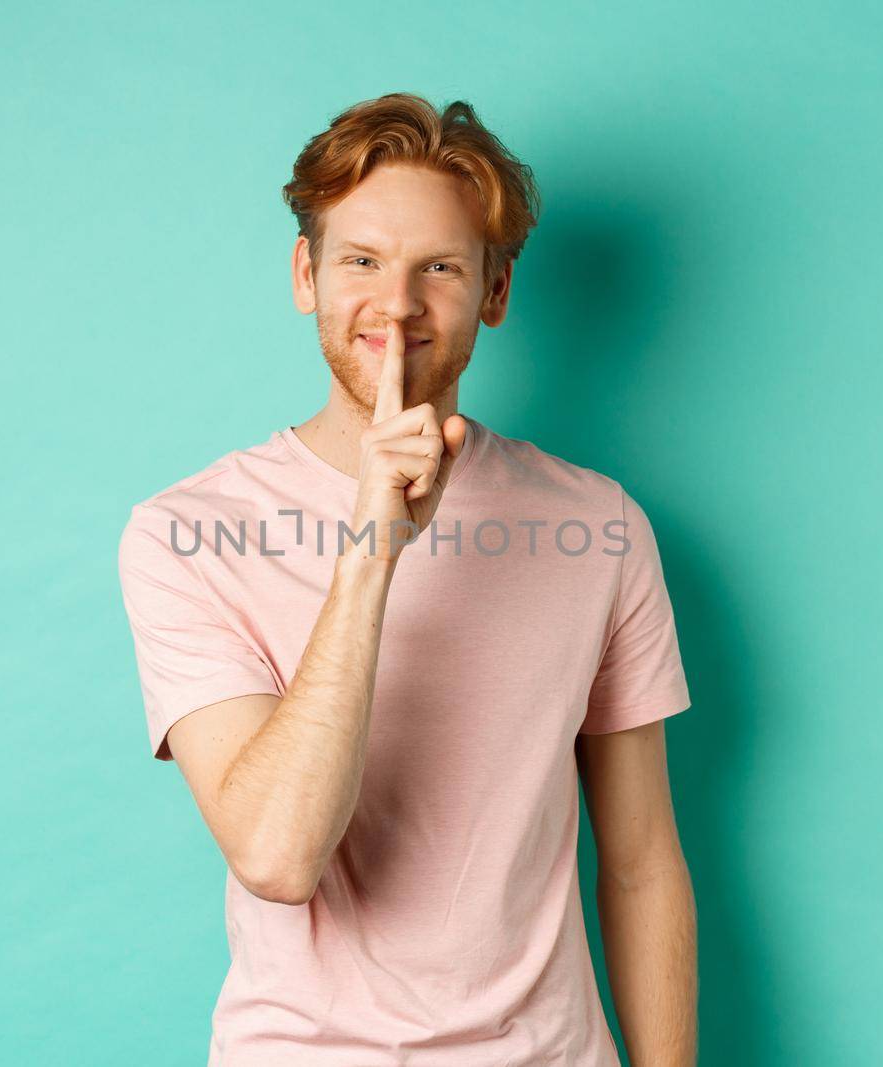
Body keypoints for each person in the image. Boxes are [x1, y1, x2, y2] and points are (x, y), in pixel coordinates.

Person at [117, 91, 697, 1066]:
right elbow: (276, 853)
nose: (396, 303)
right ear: (305, 274)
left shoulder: (599, 527)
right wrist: (372, 547)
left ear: (495, 291)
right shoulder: (186, 533)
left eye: (438, 267)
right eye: (360, 261)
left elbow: (640, 863)